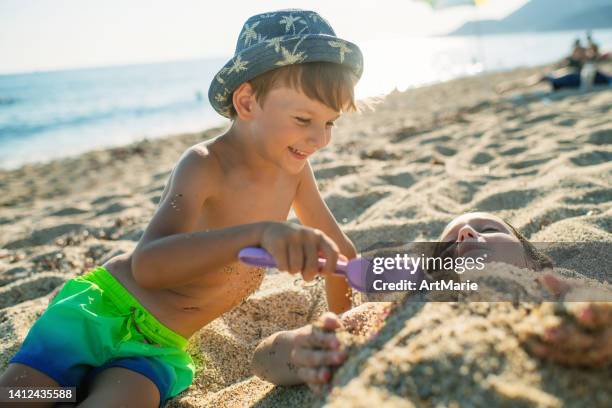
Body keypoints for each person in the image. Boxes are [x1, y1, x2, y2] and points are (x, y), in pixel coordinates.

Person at [0, 9, 364, 407]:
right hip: (100, 313)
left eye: (330, 123)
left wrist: (342, 331)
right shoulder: (204, 163)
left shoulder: (295, 171)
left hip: (156, 348)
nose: (321, 138)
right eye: (303, 118)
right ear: (246, 101)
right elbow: (149, 267)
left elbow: (340, 254)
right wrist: (257, 232)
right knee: (20, 396)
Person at [251, 212, 611, 393]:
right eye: (447, 245)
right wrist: (301, 350)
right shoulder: (404, 312)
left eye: (487, 229)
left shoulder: (552, 291)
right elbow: (263, 361)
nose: (467, 234)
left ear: (536, 262)